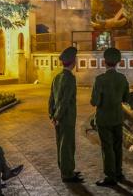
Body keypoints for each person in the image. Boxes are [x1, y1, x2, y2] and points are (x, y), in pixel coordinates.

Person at [91, 47, 129, 186]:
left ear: (104, 62)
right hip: (118, 118)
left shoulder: (100, 79)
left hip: (103, 119)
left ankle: (110, 176)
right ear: (118, 62)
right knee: (118, 146)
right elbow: (126, 99)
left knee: (107, 147)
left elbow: (94, 101)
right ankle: (119, 172)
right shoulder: (122, 78)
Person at [48, 46, 83, 183]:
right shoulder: (70, 79)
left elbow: (51, 99)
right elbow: (65, 101)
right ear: (73, 62)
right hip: (66, 117)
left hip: (57, 118)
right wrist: (57, 116)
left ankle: (66, 169)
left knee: (60, 144)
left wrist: (52, 115)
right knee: (67, 145)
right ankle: (67, 174)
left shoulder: (57, 77)